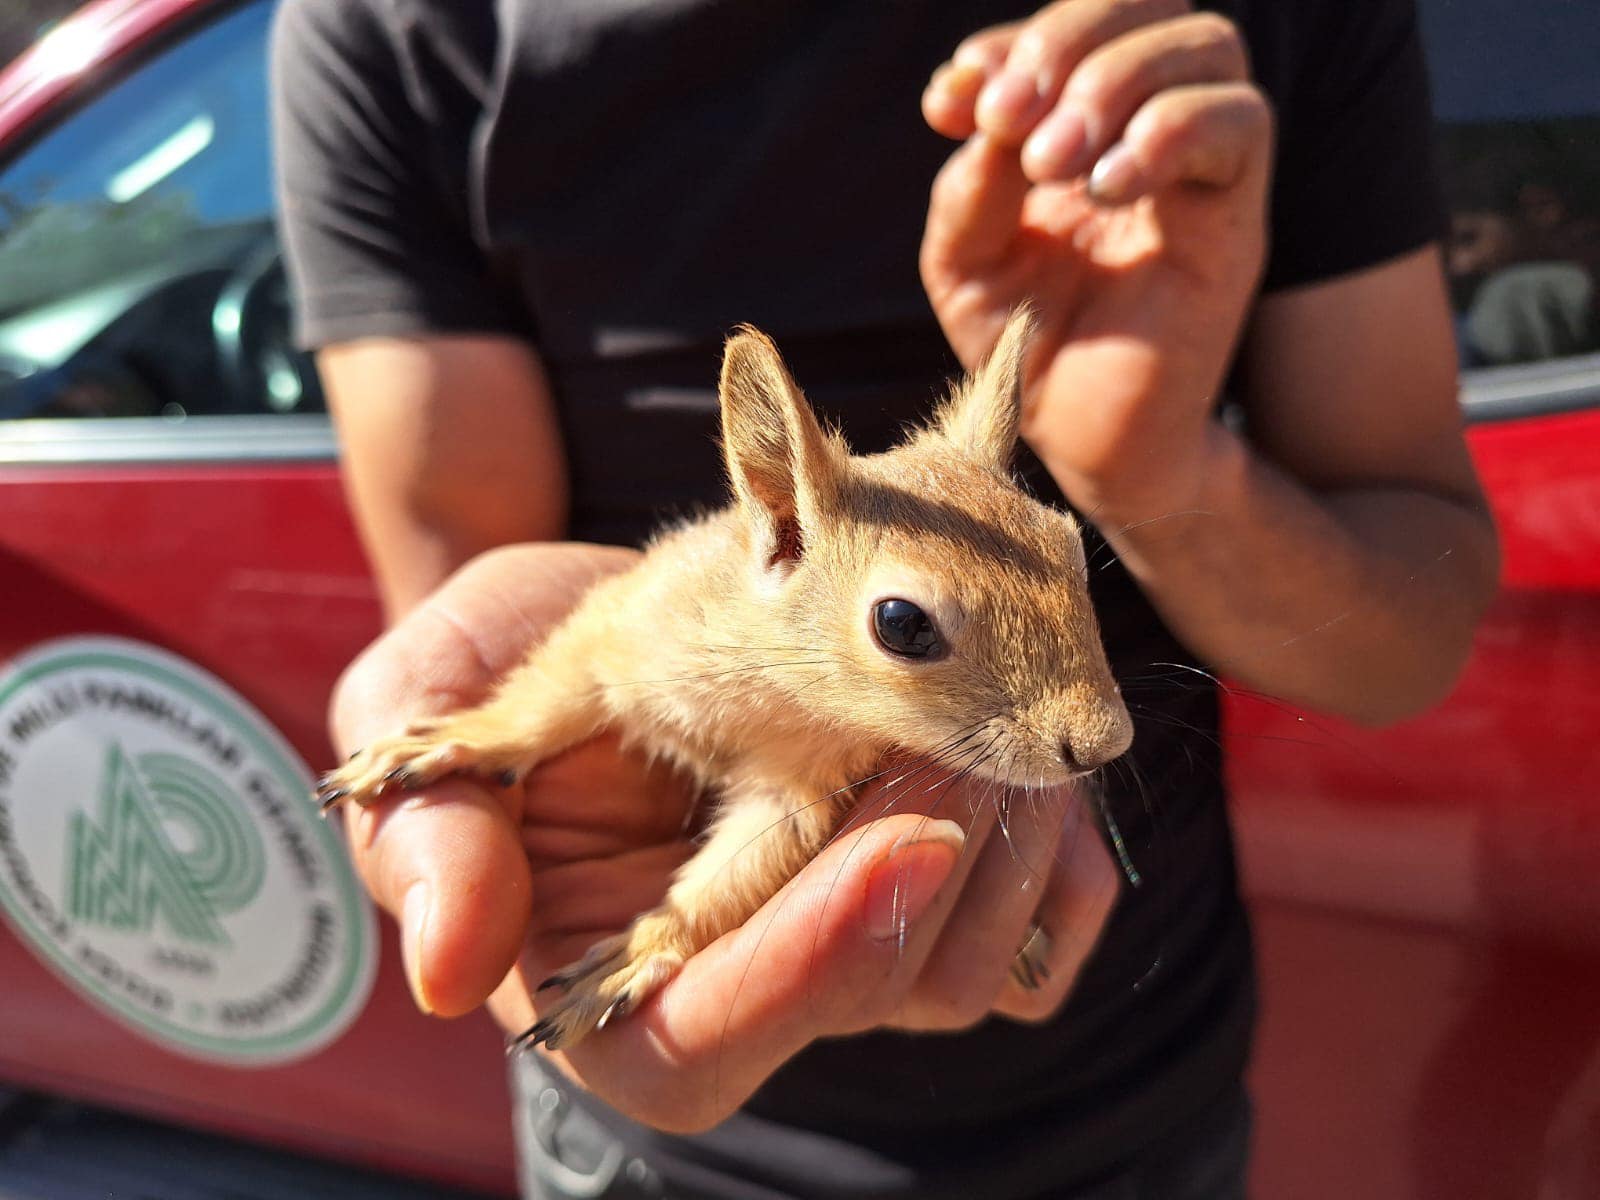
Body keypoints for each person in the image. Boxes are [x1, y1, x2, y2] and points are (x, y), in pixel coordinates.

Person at [272, 1, 1500, 1196]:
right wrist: (493, 755)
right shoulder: (401, 32)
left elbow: (1415, 628)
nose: (1102, 731)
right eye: (908, 630)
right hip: (665, 1162)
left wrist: (1151, 460)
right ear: (782, 527)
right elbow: (575, 658)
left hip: (1141, 1087)